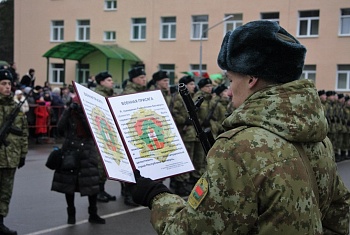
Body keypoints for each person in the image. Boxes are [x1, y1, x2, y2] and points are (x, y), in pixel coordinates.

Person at [129, 20, 350, 234]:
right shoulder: (319, 139)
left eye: (231, 79)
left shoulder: (238, 148)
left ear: (251, 78)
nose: (229, 90)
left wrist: (157, 197)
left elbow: (192, 230)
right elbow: (340, 218)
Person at [51, 96, 105, 225]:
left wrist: (82, 114)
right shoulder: (69, 113)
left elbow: (92, 131)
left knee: (91, 184)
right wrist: (68, 111)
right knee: (69, 184)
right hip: (70, 150)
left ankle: (93, 214)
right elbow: (60, 128)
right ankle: (71, 213)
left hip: (88, 150)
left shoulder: (91, 114)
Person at [0, 69, 28, 235]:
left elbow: (24, 133)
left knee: (5, 193)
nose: (7, 87)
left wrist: (23, 154)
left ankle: (0, 223)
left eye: (9, 84)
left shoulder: (16, 108)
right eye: (3, 84)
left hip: (11, 158)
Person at [120, 67, 148, 206]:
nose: (144, 80)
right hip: (130, 134)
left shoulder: (141, 92)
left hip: (140, 133)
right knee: (131, 167)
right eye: (142, 77)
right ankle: (128, 194)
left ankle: (134, 191)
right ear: (134, 79)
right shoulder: (129, 94)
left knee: (138, 165)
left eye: (144, 77)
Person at [170, 75, 197, 196]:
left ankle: (183, 182)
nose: (193, 86)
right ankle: (179, 184)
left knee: (189, 159)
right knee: (183, 159)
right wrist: (183, 120)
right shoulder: (179, 98)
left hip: (190, 133)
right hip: (183, 133)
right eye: (191, 84)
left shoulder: (189, 97)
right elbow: (174, 112)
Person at [93, 71, 117, 203]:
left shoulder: (108, 95)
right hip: (100, 136)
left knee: (105, 165)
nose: (111, 82)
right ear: (101, 82)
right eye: (108, 80)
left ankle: (101, 190)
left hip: (108, 135)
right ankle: (97, 192)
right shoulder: (98, 96)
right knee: (100, 166)